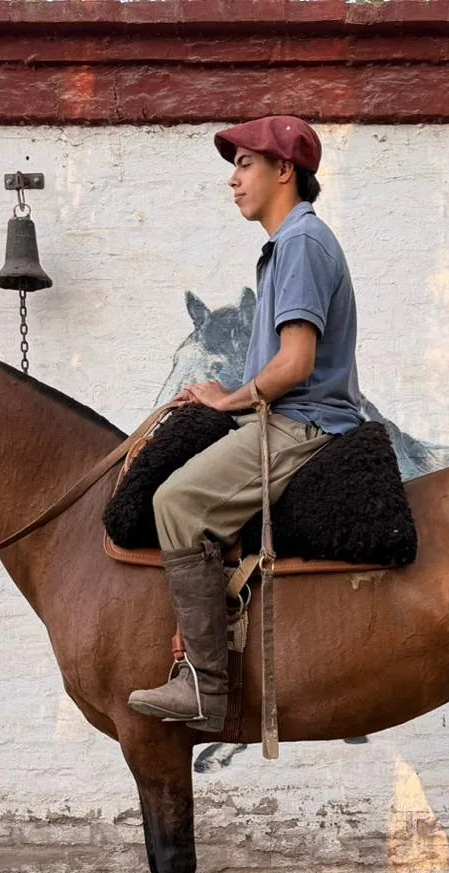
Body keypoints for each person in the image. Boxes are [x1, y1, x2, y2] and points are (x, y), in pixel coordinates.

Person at [129, 115, 365, 733]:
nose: (233, 180)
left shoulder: (302, 243)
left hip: (302, 423)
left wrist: (226, 400)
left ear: (284, 170)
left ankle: (204, 688)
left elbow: (296, 363)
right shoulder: (287, 246)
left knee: (177, 501)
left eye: (244, 165)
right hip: (286, 415)